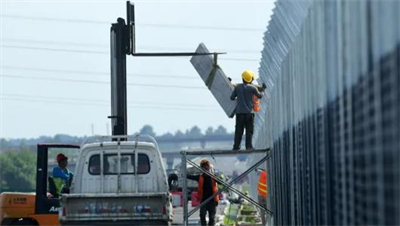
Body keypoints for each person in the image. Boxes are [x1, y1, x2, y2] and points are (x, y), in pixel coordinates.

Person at [230, 70, 264, 150]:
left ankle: (236, 147)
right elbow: (260, 96)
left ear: (242, 78)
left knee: (239, 131)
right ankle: (248, 146)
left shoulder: (238, 87)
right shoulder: (253, 88)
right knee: (249, 131)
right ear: (251, 79)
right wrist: (263, 89)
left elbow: (232, 97)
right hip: (249, 113)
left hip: (240, 113)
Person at [187, 159, 219, 226]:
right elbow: (191, 177)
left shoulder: (214, 177)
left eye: (207, 166)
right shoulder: (200, 177)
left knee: (212, 217)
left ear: (209, 167)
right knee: (202, 215)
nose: (206, 168)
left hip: (212, 201)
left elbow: (220, 182)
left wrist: (222, 178)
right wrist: (184, 175)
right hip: (204, 201)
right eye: (204, 166)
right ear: (202, 168)